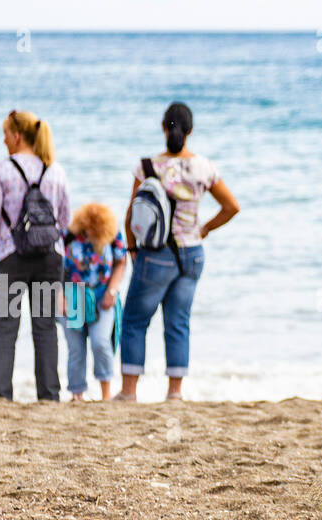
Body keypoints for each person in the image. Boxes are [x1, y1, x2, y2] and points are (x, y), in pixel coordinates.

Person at [117, 102, 240, 401]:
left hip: (155, 254)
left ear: (163, 127)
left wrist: (132, 250)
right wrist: (205, 229)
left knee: (135, 321)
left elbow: (131, 215)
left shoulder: (147, 167)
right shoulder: (203, 168)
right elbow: (231, 207)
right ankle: (174, 393)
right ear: (191, 130)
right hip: (192, 253)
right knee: (178, 322)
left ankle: (129, 392)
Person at [0, 109, 72, 402]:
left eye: (5, 134)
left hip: (9, 258)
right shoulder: (54, 170)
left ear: (17, 136)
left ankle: (2, 395)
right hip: (48, 258)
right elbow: (65, 220)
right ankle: (49, 395)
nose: (4, 140)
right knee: (44, 328)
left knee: (5, 328)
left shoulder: (1, 170)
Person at [62, 204, 128, 401]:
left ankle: (106, 394)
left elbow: (121, 263)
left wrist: (112, 290)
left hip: (102, 294)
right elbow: (54, 266)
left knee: (101, 342)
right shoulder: (68, 235)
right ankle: (77, 395)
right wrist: (60, 296)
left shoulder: (114, 235)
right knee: (75, 347)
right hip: (73, 294)